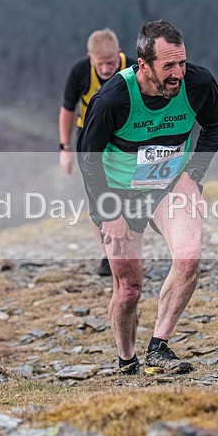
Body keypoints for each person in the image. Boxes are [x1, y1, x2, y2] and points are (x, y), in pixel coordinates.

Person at [78, 20, 218, 375]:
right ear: (143, 65)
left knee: (189, 257)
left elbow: (216, 125)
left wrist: (193, 175)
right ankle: (126, 360)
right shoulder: (112, 99)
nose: (178, 74)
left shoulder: (198, 83)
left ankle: (159, 346)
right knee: (129, 289)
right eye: (168, 67)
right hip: (119, 195)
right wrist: (108, 211)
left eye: (182, 63)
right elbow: (89, 159)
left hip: (168, 186)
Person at [59, 28, 131, 276]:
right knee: (97, 194)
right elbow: (67, 110)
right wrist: (65, 148)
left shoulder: (132, 69)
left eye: (110, 63)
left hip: (125, 137)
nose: (105, 68)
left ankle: (128, 248)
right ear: (90, 58)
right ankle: (105, 255)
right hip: (89, 138)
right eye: (100, 64)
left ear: (119, 55)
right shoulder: (80, 71)